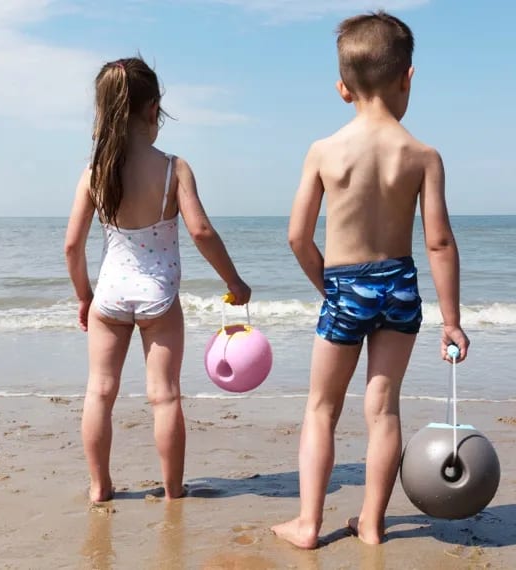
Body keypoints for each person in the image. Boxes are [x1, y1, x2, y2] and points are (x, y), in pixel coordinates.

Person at [271, 12, 469, 548]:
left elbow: (296, 237)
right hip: (401, 286)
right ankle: (374, 525)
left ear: (342, 89)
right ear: (408, 78)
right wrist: (451, 321)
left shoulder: (325, 151)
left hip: (344, 286)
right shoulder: (424, 155)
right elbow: (439, 242)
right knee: (382, 407)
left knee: (322, 407)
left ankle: (309, 524)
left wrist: (329, 288)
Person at [64, 57, 251, 503]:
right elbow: (201, 232)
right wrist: (235, 281)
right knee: (164, 397)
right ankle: (171, 490)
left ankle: (99, 487)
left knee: (100, 392)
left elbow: (72, 247)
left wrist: (85, 297)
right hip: (159, 296)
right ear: (153, 111)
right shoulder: (173, 168)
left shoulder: (95, 174)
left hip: (109, 294)